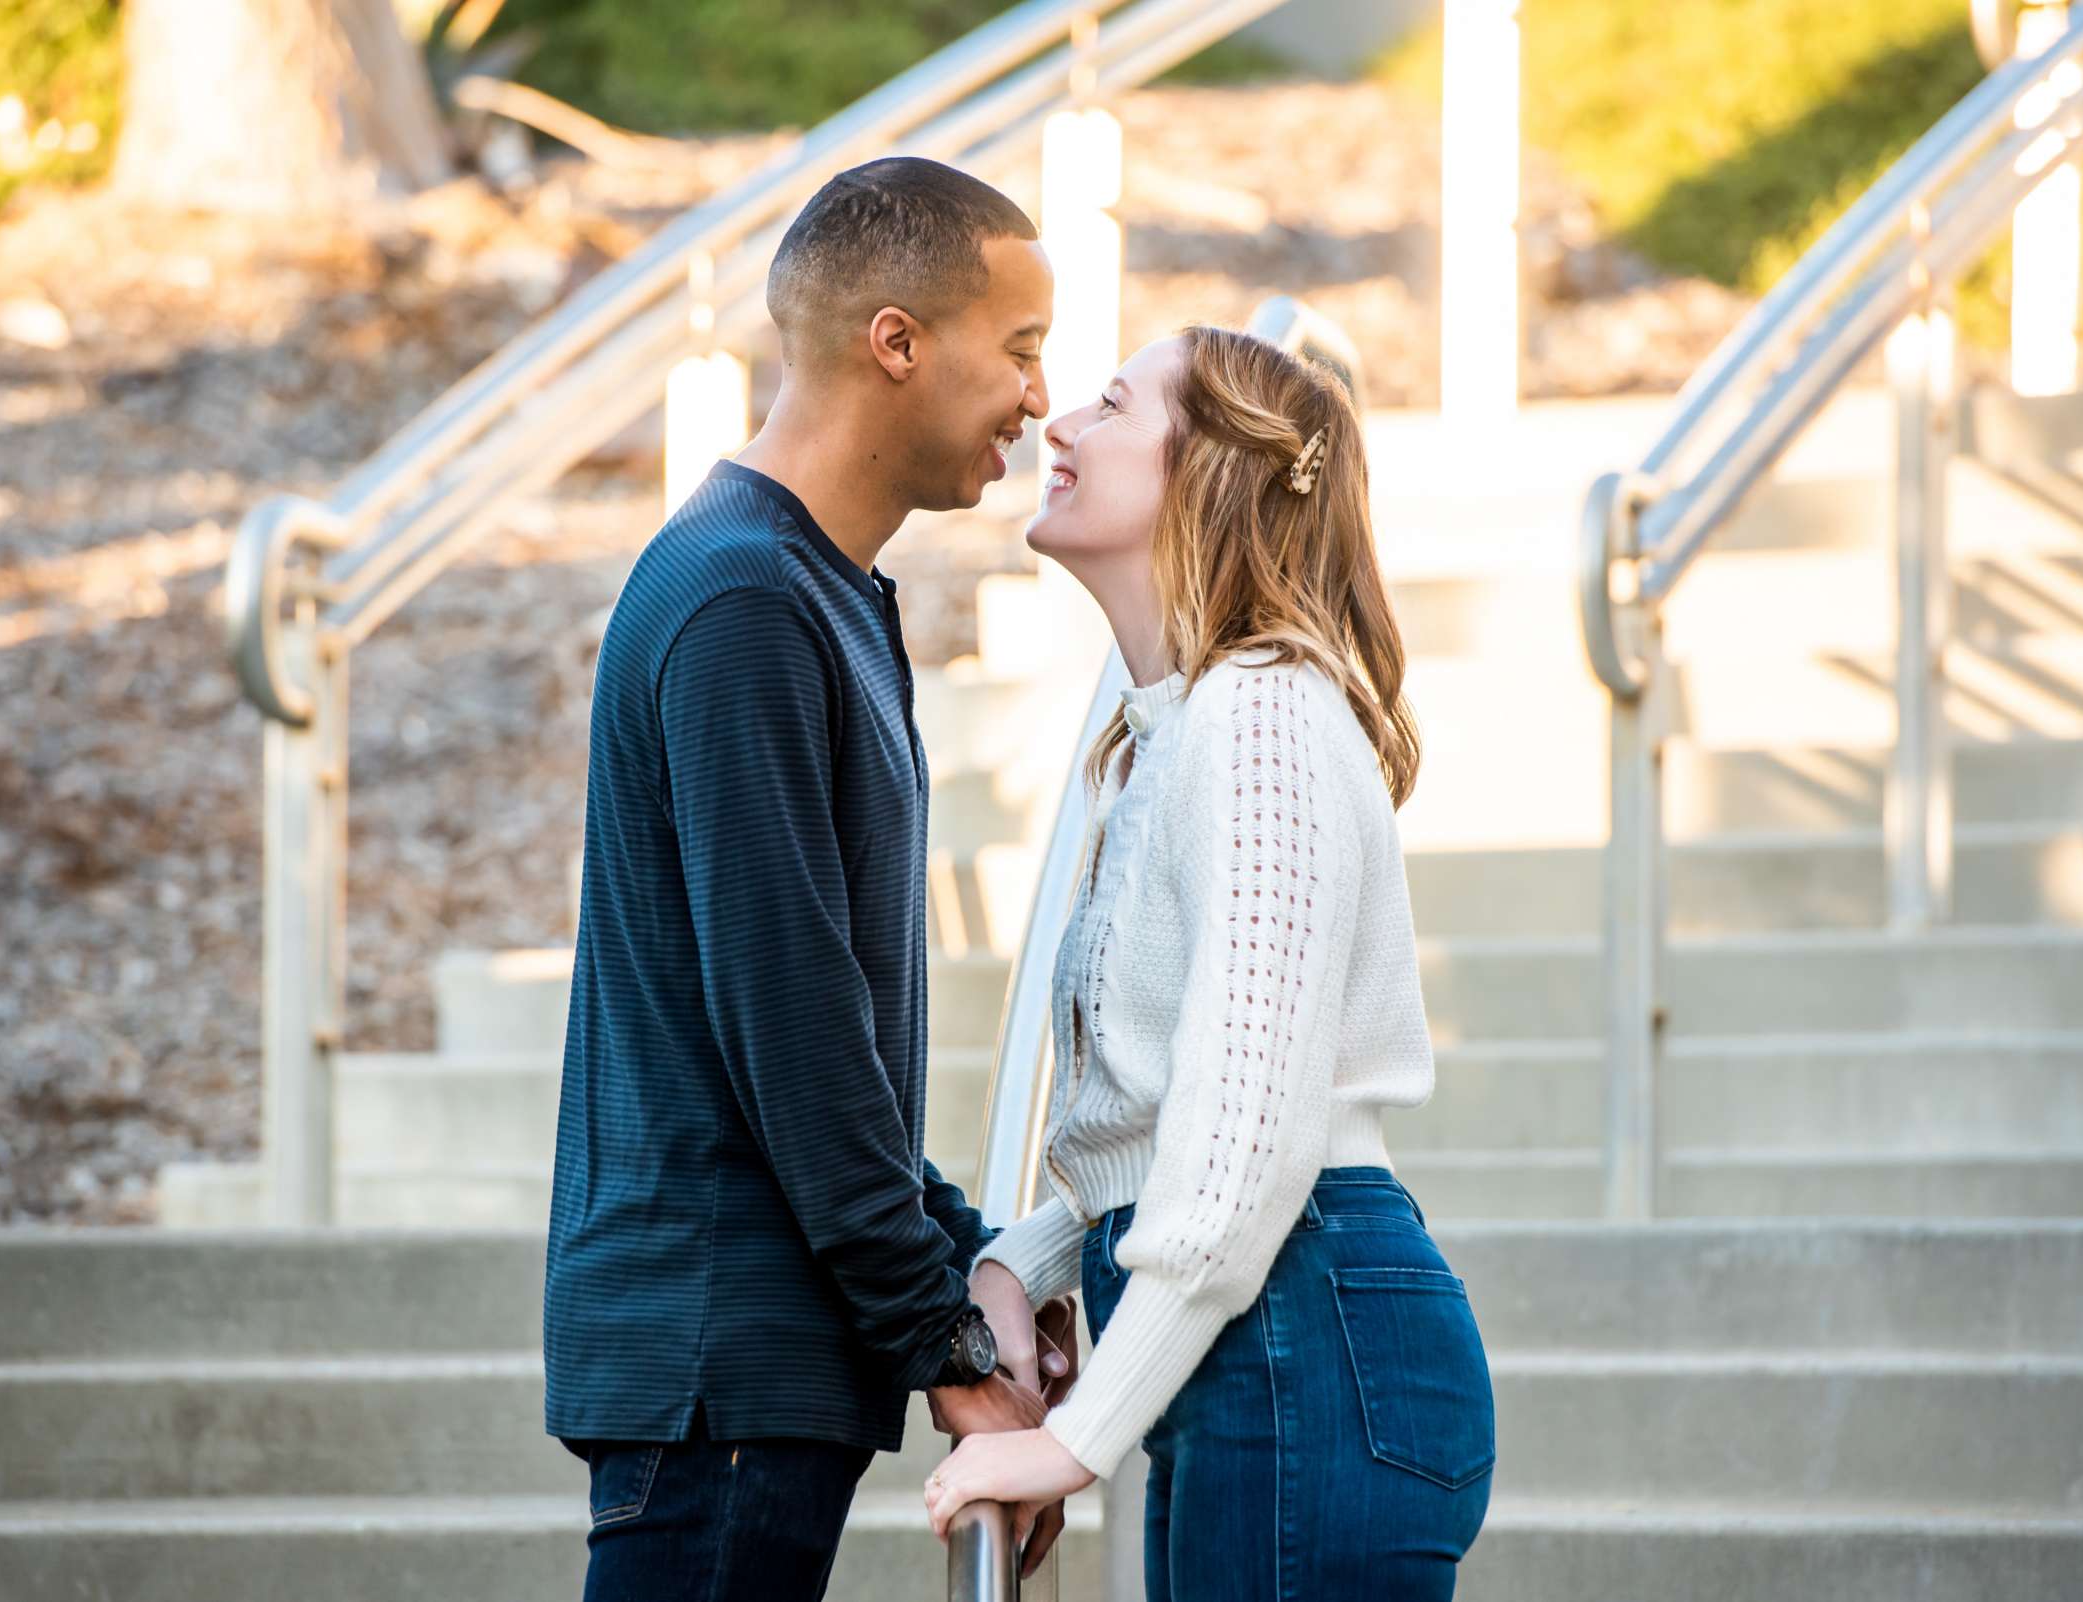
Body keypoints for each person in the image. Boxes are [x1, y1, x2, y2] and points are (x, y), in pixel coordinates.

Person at [542, 157, 1078, 1601]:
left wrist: (977, 1263)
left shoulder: (817, 592)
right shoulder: (742, 601)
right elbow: (789, 1026)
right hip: (718, 1361)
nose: (1039, 397)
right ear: (895, 341)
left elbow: (817, 1030)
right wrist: (949, 1341)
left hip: (764, 1365)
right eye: (1020, 350)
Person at [921, 327, 1498, 1599]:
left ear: (1212, 475)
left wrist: (1074, 1443)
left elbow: (1246, 1141)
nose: (1058, 425)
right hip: (1269, 1344)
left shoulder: (1263, 715)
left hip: (1305, 1332)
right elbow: (1170, 1099)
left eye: (1112, 406)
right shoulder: (1172, 735)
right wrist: (1027, 1257)